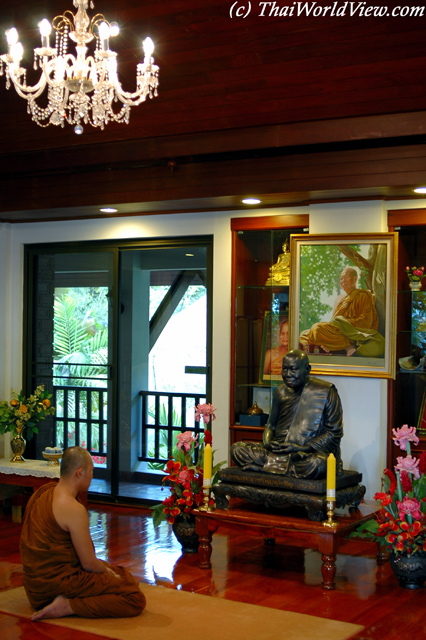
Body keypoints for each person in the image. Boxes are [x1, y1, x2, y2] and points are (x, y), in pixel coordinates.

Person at [20, 446, 146, 620]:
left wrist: (110, 571)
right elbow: (88, 564)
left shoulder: (43, 493)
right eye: (91, 472)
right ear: (79, 473)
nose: (92, 476)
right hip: (56, 586)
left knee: (123, 575)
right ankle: (68, 606)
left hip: (35, 588)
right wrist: (107, 573)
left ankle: (74, 599)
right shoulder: (73, 508)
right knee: (134, 598)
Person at [231, 349, 343, 479]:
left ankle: (265, 468)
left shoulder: (325, 392)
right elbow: (270, 426)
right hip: (277, 452)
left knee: (319, 463)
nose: (288, 374)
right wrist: (268, 442)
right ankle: (283, 469)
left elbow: (334, 432)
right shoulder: (281, 392)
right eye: (284, 369)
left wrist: (303, 448)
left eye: (293, 369)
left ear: (307, 370)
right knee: (237, 449)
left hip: (303, 454)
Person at [299, 266, 385, 357]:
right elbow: (332, 325)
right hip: (338, 334)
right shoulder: (341, 300)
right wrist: (337, 325)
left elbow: (366, 322)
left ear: (355, 279)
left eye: (346, 277)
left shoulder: (362, 295)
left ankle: (342, 346)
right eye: (341, 278)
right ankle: (342, 346)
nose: (343, 281)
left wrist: (343, 324)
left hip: (355, 335)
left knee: (333, 322)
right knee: (306, 333)